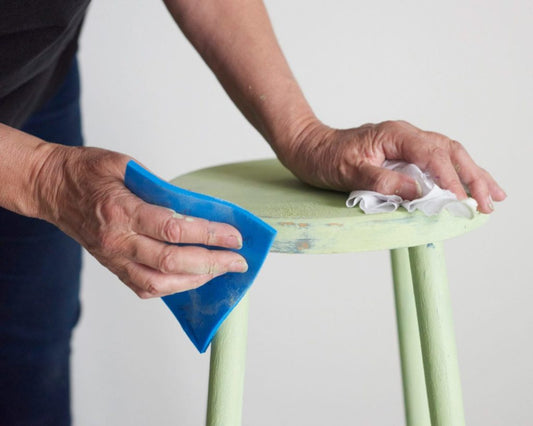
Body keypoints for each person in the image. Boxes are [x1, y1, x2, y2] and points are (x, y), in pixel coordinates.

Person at [0, 0, 506, 424]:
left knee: (29, 354)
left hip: (34, 86)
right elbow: (44, 175)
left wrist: (304, 136)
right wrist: (43, 176)